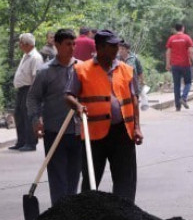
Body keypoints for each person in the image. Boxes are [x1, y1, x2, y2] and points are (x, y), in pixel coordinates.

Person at [65, 29, 143, 203]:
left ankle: (126, 217)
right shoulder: (81, 69)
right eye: (112, 46)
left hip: (123, 132)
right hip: (94, 133)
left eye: (117, 45)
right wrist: (77, 106)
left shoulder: (127, 70)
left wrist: (137, 127)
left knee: (125, 180)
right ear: (99, 48)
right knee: (91, 180)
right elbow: (68, 95)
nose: (117, 49)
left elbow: (134, 100)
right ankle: (87, 214)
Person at [27, 29, 82, 205]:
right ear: (57, 45)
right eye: (68, 44)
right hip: (54, 130)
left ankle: (71, 212)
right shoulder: (45, 71)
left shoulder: (82, 68)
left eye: (74, 44)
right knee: (57, 175)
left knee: (74, 175)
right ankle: (58, 213)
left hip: (78, 131)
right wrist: (36, 120)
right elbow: (33, 97)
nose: (72, 48)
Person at [10, 33, 44, 152]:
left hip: (29, 89)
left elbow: (37, 77)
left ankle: (30, 142)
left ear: (27, 44)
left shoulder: (35, 57)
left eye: (21, 43)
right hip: (22, 89)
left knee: (28, 116)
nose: (20, 45)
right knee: (19, 115)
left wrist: (33, 94)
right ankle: (21, 141)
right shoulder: (26, 55)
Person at [165, 23, 193, 111]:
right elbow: (191, 51)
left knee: (177, 85)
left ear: (176, 29)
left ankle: (177, 106)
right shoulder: (187, 38)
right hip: (186, 64)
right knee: (188, 83)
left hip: (175, 65)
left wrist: (167, 64)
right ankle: (184, 97)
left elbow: (168, 52)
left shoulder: (171, 38)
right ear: (183, 28)